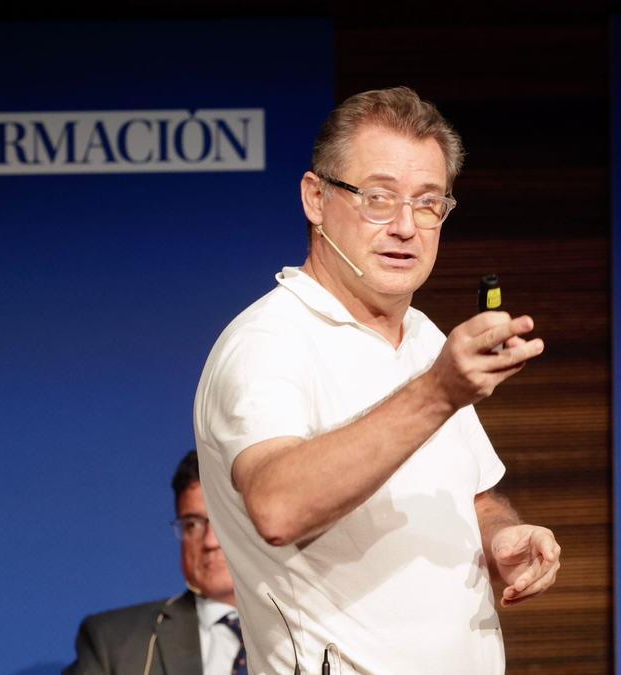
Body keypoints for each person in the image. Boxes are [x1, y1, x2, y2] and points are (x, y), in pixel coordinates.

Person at [194, 86, 562, 674]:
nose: (406, 226)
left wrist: (502, 540)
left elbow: (476, 497)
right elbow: (278, 507)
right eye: (378, 198)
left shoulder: (424, 337)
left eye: (427, 203)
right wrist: (438, 391)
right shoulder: (269, 341)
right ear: (316, 198)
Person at [65, 451, 248, 675]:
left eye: (223, 520)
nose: (210, 541)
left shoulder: (302, 627)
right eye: (192, 524)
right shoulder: (113, 642)